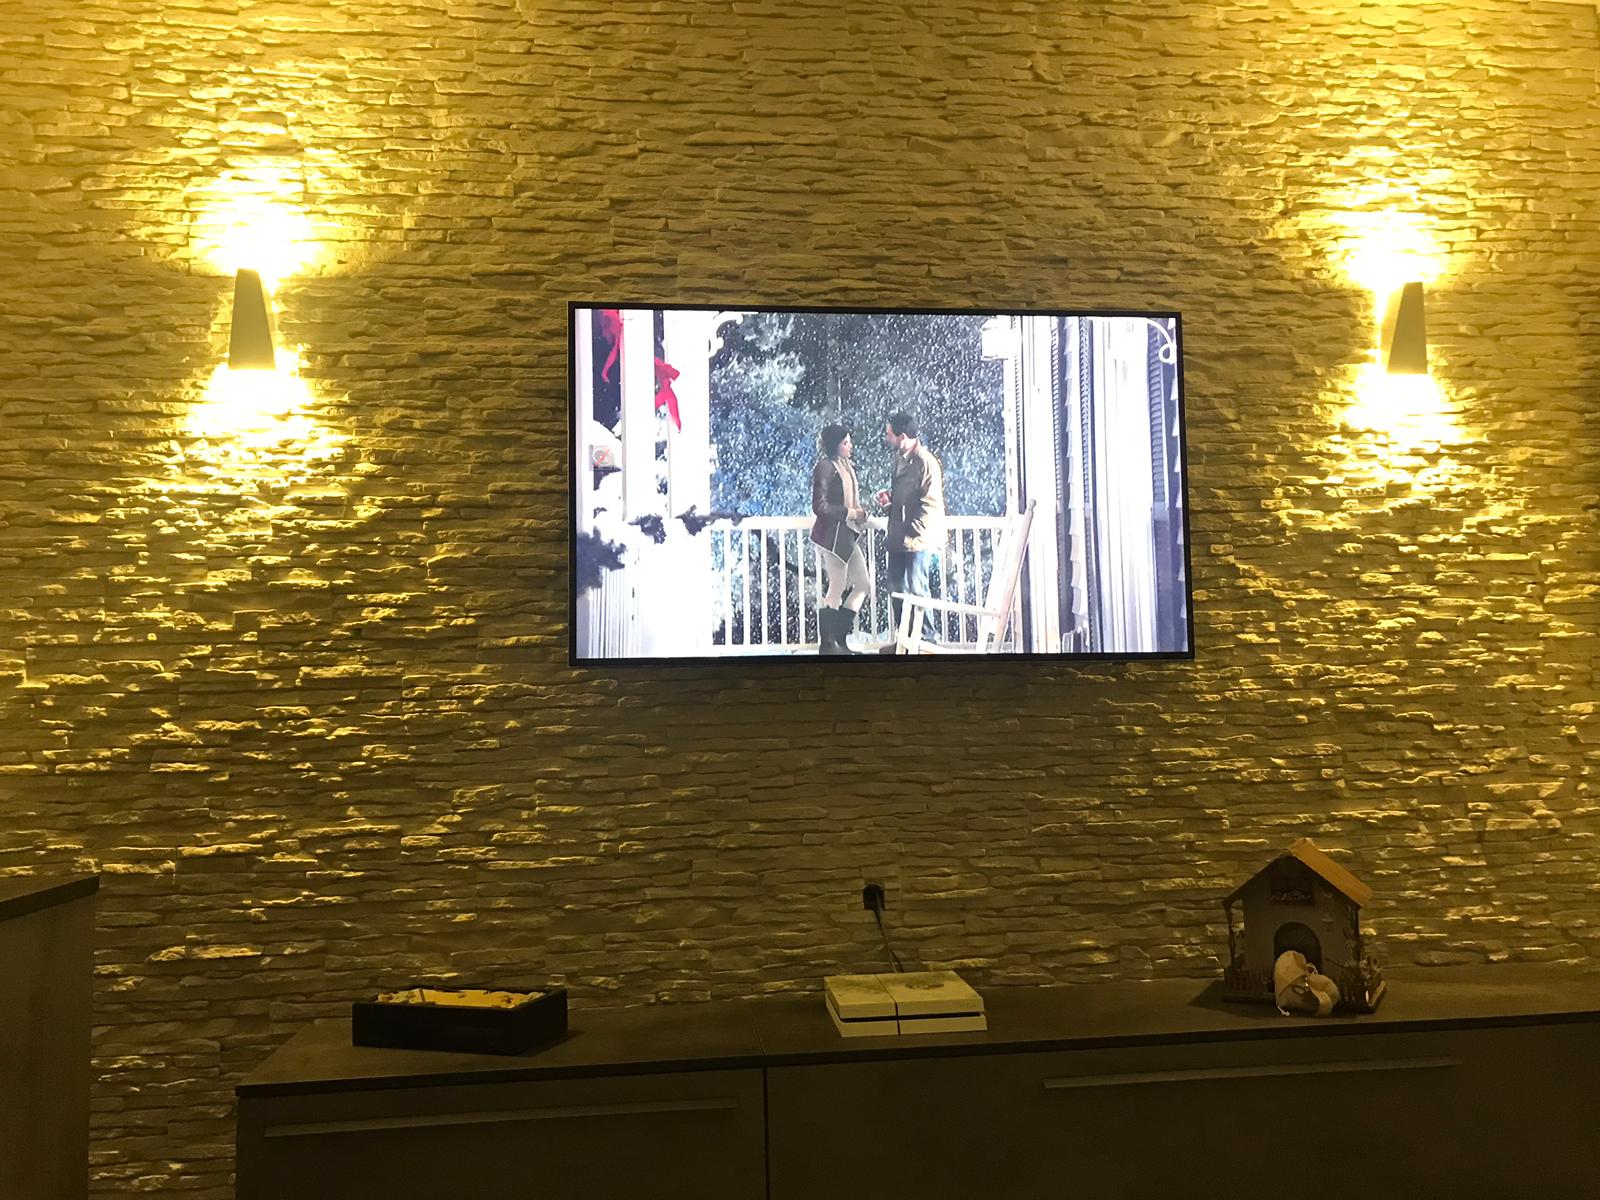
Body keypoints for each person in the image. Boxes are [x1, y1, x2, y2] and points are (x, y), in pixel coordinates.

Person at [877, 410, 945, 650]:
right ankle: (904, 641)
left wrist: (912, 528)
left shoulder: (925, 462)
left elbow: (930, 504)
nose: (887, 438)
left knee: (917, 589)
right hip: (898, 536)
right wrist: (890, 503)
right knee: (895, 589)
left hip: (917, 540)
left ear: (902, 436)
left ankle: (926, 641)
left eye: (889, 434)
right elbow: (905, 497)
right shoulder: (898, 458)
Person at [810, 424, 870, 655]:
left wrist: (859, 514)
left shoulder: (845, 466)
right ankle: (828, 645)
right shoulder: (825, 467)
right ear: (835, 445)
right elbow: (820, 506)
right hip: (832, 535)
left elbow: (848, 501)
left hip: (847, 534)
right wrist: (851, 513)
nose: (850, 446)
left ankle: (839, 640)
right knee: (836, 586)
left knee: (863, 584)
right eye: (846, 442)